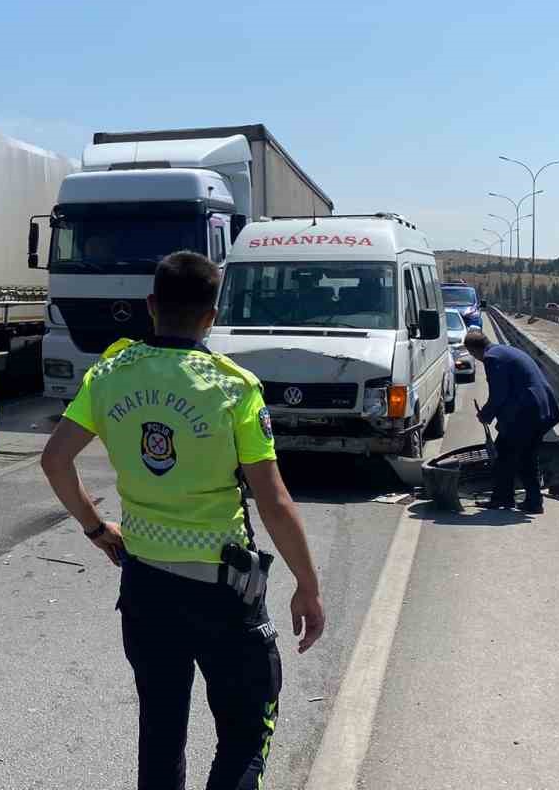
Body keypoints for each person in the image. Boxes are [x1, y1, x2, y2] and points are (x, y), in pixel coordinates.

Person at [39, 251, 325, 790]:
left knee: (161, 733)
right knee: (244, 737)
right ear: (211, 315)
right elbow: (273, 498)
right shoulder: (233, 387)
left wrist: (98, 530)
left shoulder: (109, 374)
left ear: (151, 306)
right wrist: (307, 585)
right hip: (223, 595)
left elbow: (55, 460)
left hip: (145, 585)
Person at [466, 328, 559, 514]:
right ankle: (505, 498)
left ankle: (530, 502)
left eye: (472, 354)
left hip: (529, 413)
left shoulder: (492, 359)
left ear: (474, 351)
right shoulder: (504, 351)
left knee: (520, 457)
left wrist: (485, 415)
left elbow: (499, 394)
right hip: (541, 408)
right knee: (508, 453)